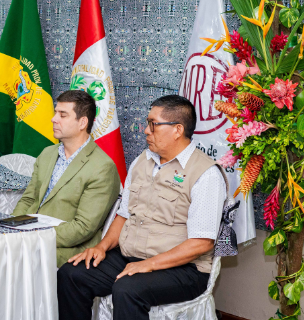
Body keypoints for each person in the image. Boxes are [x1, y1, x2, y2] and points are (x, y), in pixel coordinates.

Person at [57, 95, 227, 320]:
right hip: (131, 256)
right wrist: (102, 247)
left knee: (127, 289)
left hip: (184, 269)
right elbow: (123, 215)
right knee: (72, 274)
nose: (146, 131)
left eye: (153, 124)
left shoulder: (205, 174)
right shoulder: (142, 161)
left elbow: (201, 243)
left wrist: (150, 264)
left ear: (177, 130)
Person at [12, 90, 120, 267]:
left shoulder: (102, 167)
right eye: (56, 112)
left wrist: (33, 237)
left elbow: (82, 228)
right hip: (30, 236)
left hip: (66, 248)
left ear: (82, 122)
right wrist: (12, 228)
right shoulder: (47, 153)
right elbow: (28, 199)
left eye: (62, 114)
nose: (54, 119)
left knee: (7, 260)